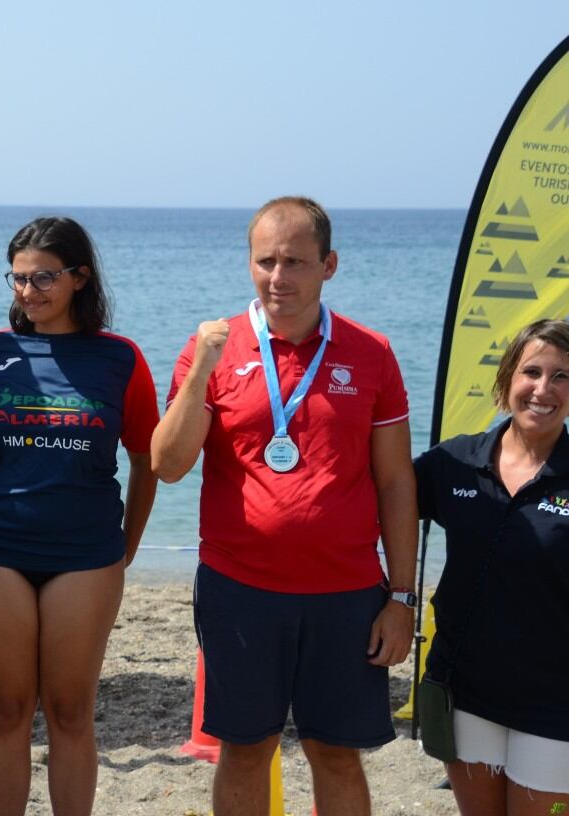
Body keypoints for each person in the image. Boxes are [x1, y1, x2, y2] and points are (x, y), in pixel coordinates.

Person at [151, 196, 418, 816]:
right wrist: (202, 371)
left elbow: (396, 483)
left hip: (347, 592)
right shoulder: (212, 348)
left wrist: (401, 598)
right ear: (249, 264)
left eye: (295, 261)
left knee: (336, 754)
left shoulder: (370, 351)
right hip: (240, 589)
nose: (279, 277)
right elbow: (167, 465)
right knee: (245, 750)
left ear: (329, 265)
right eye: (266, 260)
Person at [0, 216, 158, 815]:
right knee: (9, 708)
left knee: (71, 710)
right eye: (17, 279)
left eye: (43, 277)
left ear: (80, 278)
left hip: (86, 556)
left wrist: (127, 545)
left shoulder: (119, 358)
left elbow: (148, 459)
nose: (28, 292)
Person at [415, 319, 569, 814]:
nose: (543, 389)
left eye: (562, 376)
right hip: (467, 689)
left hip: (555, 699)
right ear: (506, 381)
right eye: (532, 372)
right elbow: (376, 505)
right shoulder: (453, 462)